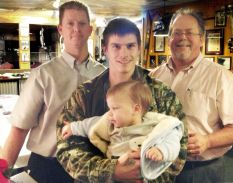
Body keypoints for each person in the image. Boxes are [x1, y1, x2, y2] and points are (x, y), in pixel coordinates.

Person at [56, 17, 188, 182]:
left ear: (139, 48)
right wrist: (112, 171)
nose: (124, 54)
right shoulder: (85, 94)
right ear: (105, 49)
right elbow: (66, 149)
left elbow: (180, 144)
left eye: (130, 46)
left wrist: (145, 174)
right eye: (116, 46)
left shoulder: (162, 93)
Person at [0, 1, 105, 183]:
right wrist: (2, 173)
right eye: (70, 24)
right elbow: (19, 128)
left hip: (91, 169)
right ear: (61, 30)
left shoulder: (104, 75)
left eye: (81, 24)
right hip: (48, 169)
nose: (76, 29)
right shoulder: (43, 75)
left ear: (90, 30)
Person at [149, 8, 233, 183]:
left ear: (201, 39)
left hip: (198, 172)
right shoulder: (154, 76)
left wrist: (208, 141)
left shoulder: (221, 77)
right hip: (156, 165)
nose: (182, 37)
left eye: (189, 33)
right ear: (169, 39)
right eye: (177, 33)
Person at [61, 80, 184, 180]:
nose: (109, 114)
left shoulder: (154, 125)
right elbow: (90, 124)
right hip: (114, 168)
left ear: (135, 109)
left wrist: (161, 151)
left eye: (114, 108)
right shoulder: (109, 123)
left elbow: (173, 139)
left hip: (143, 172)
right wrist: (72, 127)